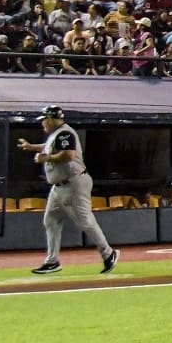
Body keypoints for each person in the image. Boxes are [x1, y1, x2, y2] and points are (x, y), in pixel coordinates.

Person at [22, 105, 117, 275]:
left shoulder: (65, 132)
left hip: (74, 183)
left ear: (51, 119)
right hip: (59, 187)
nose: (42, 123)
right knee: (50, 220)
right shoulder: (56, 135)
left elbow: (68, 155)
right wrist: (32, 147)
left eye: (44, 119)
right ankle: (52, 261)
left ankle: (109, 253)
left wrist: (46, 158)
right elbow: (49, 146)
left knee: (85, 221)